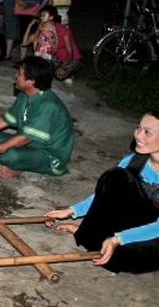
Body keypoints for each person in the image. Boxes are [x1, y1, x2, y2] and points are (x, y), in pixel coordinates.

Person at [43, 109, 159, 274]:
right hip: (140, 219)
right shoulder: (134, 160)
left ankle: (94, 237)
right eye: (138, 128)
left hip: (156, 232)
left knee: (115, 259)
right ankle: (90, 234)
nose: (139, 136)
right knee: (116, 176)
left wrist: (118, 239)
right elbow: (106, 194)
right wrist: (71, 211)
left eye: (148, 132)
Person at [0, 56, 75, 179]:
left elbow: (24, 139)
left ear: (31, 81)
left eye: (19, 73)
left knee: (10, 156)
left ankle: (17, 168)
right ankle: (13, 163)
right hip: (29, 146)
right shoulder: (25, 95)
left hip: (48, 154)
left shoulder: (48, 106)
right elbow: (4, 120)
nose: (15, 76)